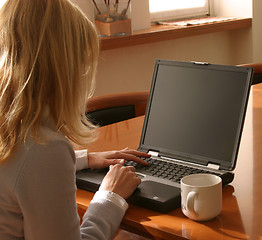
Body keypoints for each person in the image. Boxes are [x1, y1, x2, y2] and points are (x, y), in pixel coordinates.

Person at [0, 0, 150, 239]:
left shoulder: (12, 128)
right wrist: (110, 196)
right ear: (63, 68)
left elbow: (19, 167)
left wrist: (83, 159)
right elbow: (35, 161)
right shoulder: (44, 149)